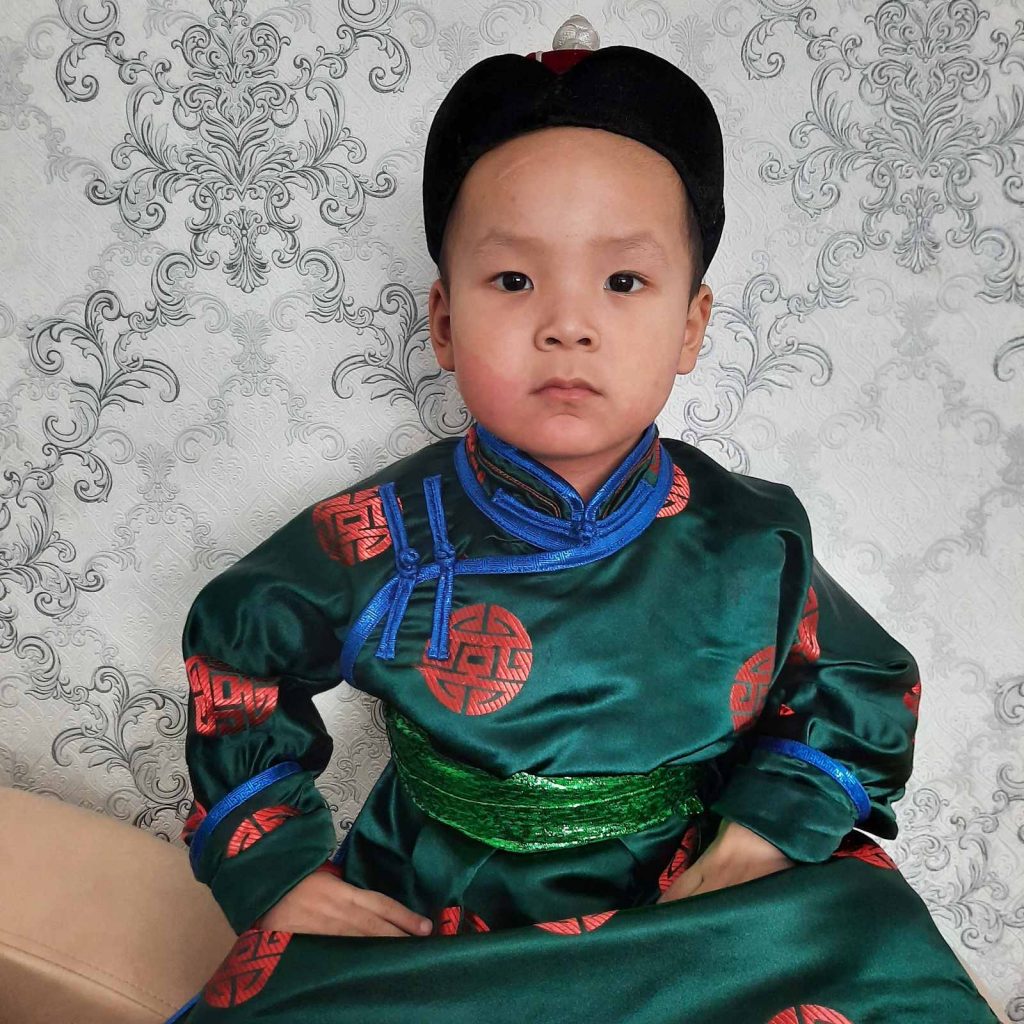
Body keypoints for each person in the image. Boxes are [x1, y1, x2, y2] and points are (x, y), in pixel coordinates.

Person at [170, 19, 999, 1024]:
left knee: (874, 948)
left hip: (689, 911)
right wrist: (278, 867)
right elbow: (239, 655)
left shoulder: (750, 537)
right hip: (445, 919)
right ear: (444, 321)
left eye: (623, 281)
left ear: (690, 325)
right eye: (514, 280)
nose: (568, 324)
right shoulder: (380, 531)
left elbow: (858, 683)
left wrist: (762, 834)